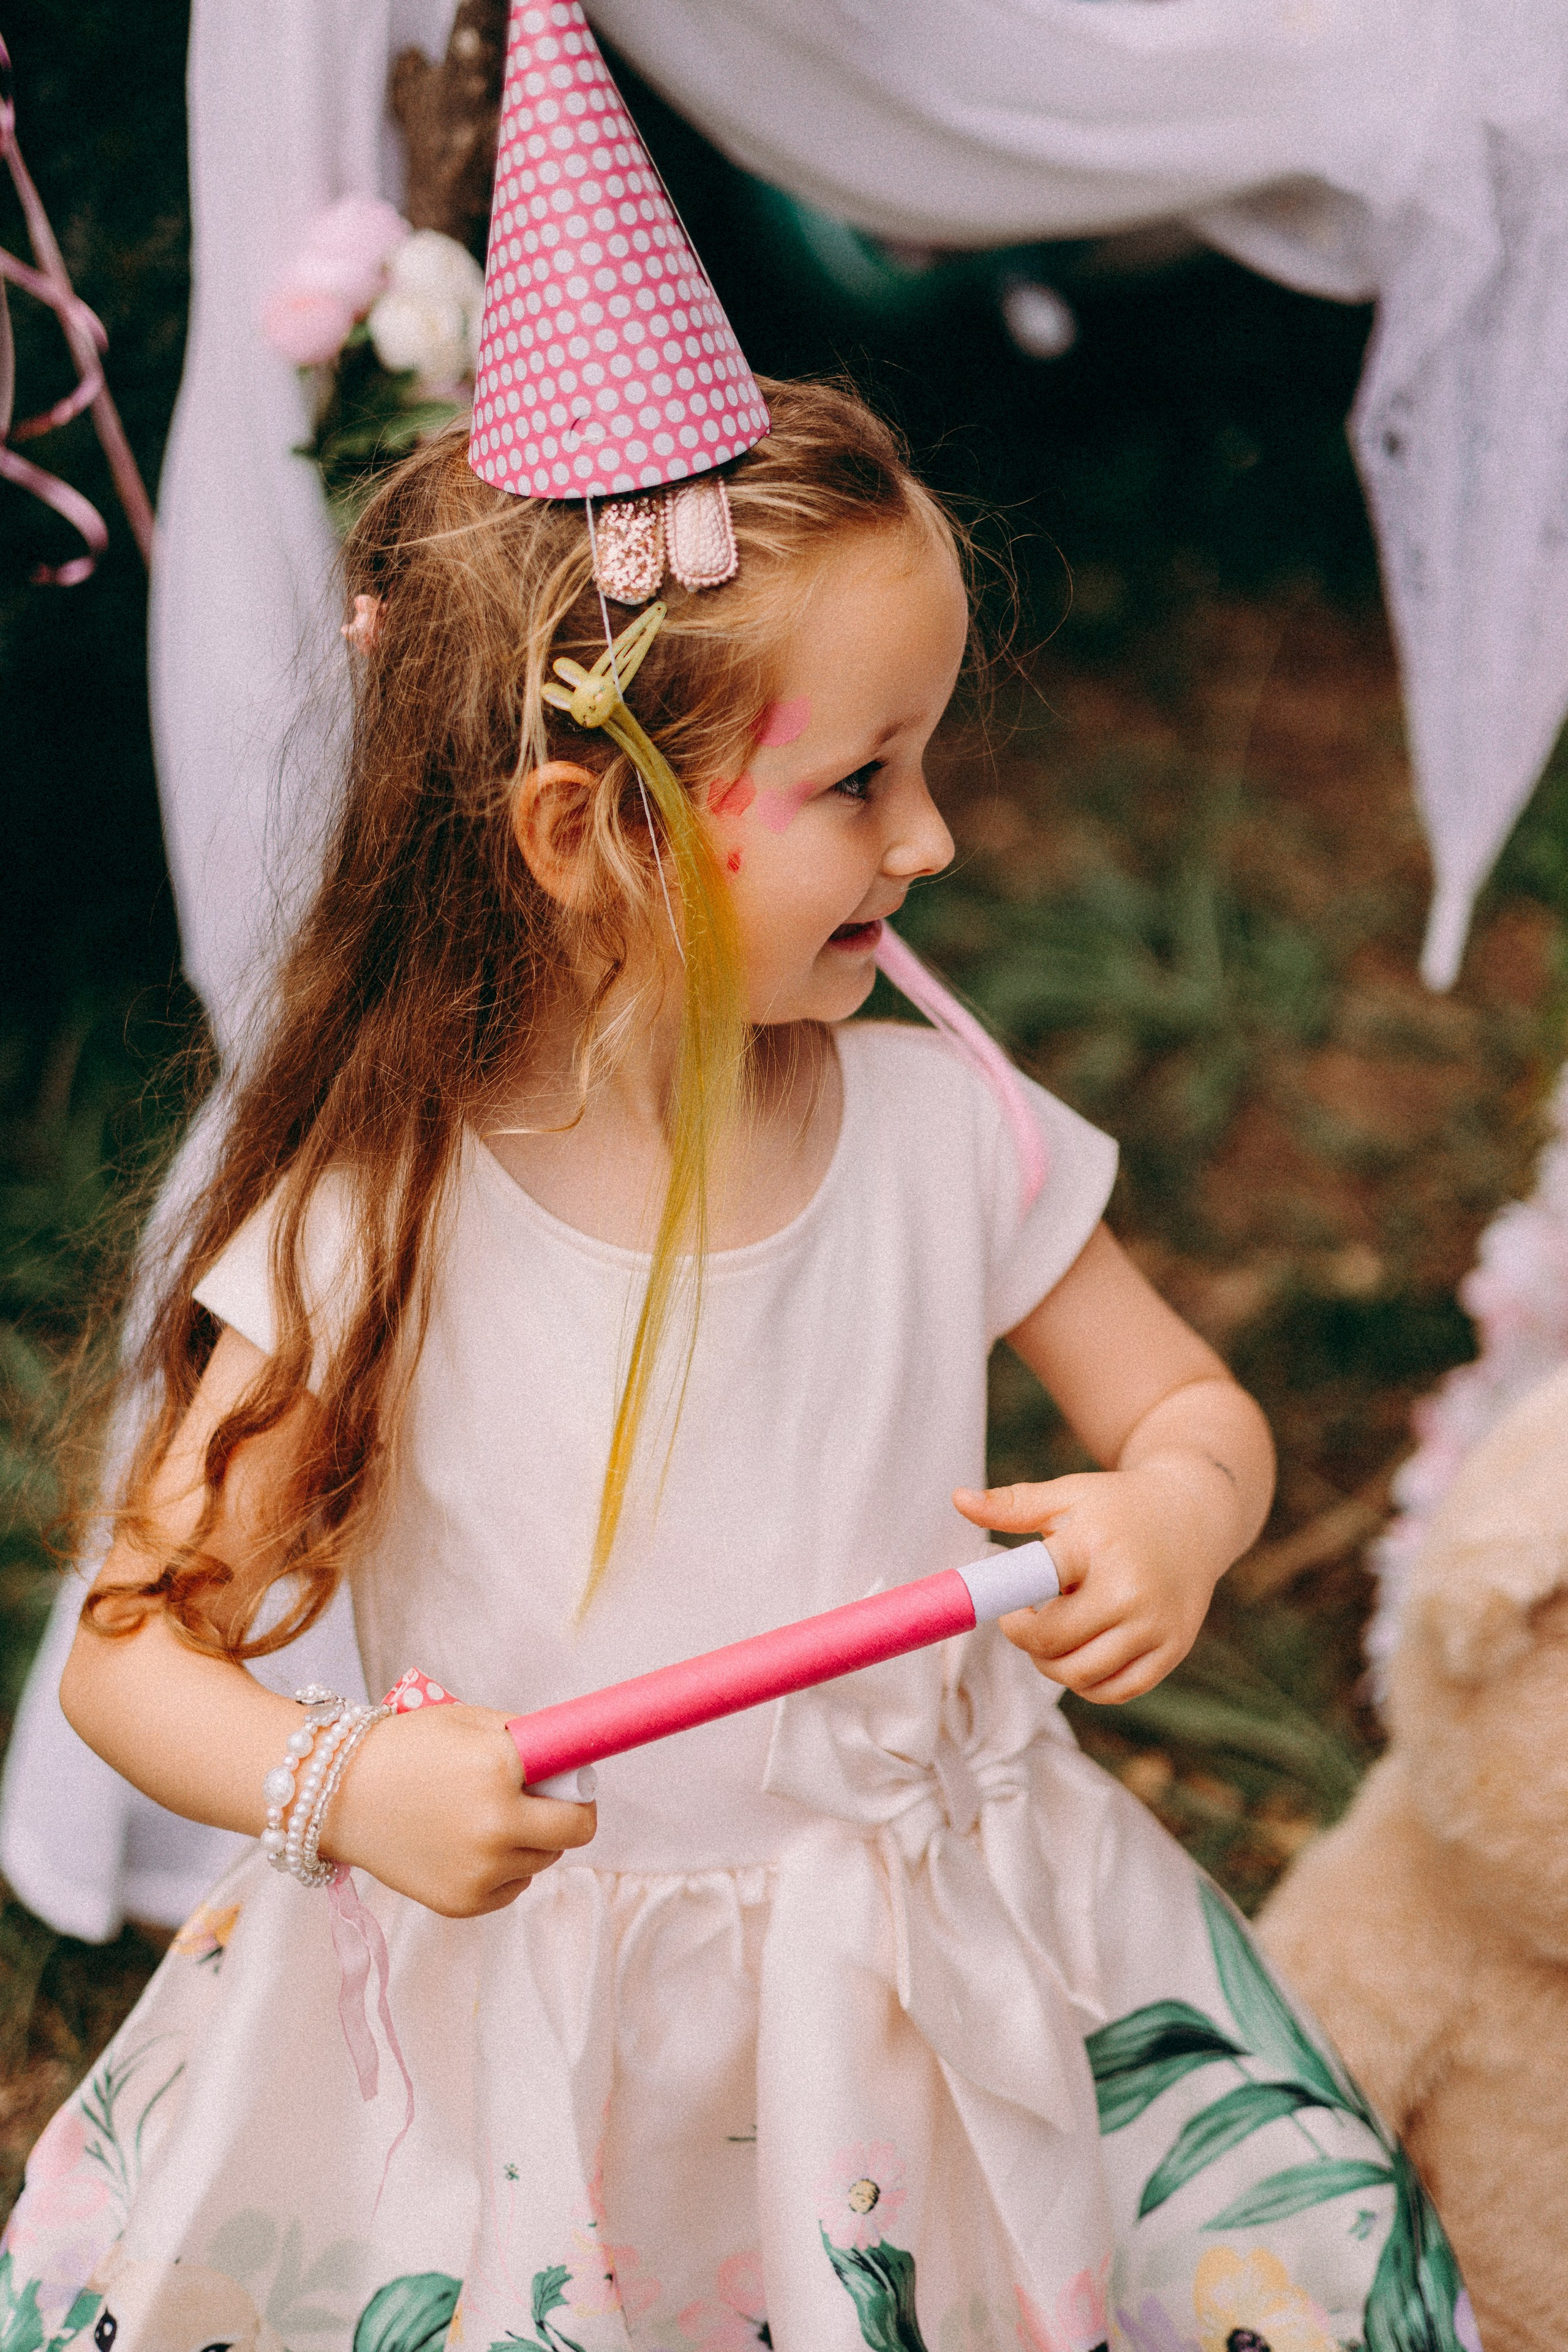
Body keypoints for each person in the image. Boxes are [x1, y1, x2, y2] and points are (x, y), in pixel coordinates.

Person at [0, 384, 1466, 2352]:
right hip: (533, 2000)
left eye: (925, 763)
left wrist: (1177, 1517)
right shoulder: (386, 1218)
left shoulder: (945, 1129)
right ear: (591, 830)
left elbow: (1189, 1409)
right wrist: (340, 1783)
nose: (933, 837)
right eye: (863, 781)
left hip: (931, 1965)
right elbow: (131, 1649)